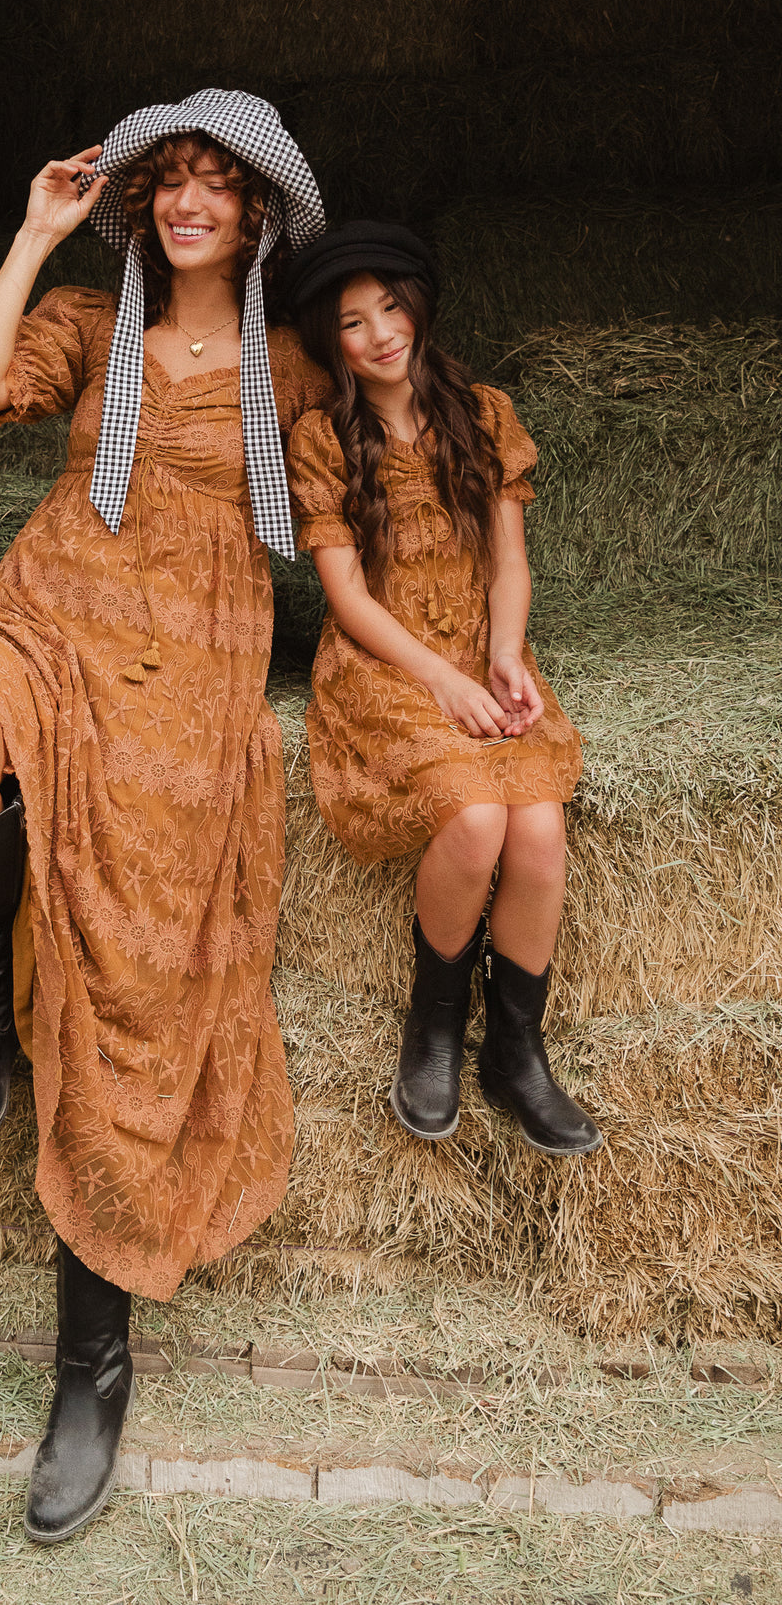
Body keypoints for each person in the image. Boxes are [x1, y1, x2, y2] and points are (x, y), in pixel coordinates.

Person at [0, 89, 328, 1542]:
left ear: (255, 213)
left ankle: (91, 1363)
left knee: (138, 958)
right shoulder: (87, 320)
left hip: (193, 651)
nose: (191, 200)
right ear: (145, 205)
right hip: (53, 605)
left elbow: (361, 508)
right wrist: (33, 231)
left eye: (218, 183)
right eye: (173, 181)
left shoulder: (291, 368)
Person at [283, 221, 601, 1160]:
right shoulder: (321, 440)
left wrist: (503, 656)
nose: (380, 332)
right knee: (474, 819)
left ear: (418, 308)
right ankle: (432, 1029)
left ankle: (515, 1051)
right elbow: (344, 597)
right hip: (388, 663)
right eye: (352, 321)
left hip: (479, 645)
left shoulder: (485, 412)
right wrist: (444, 683)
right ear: (329, 341)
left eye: (391, 307)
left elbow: (509, 562)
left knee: (539, 828)